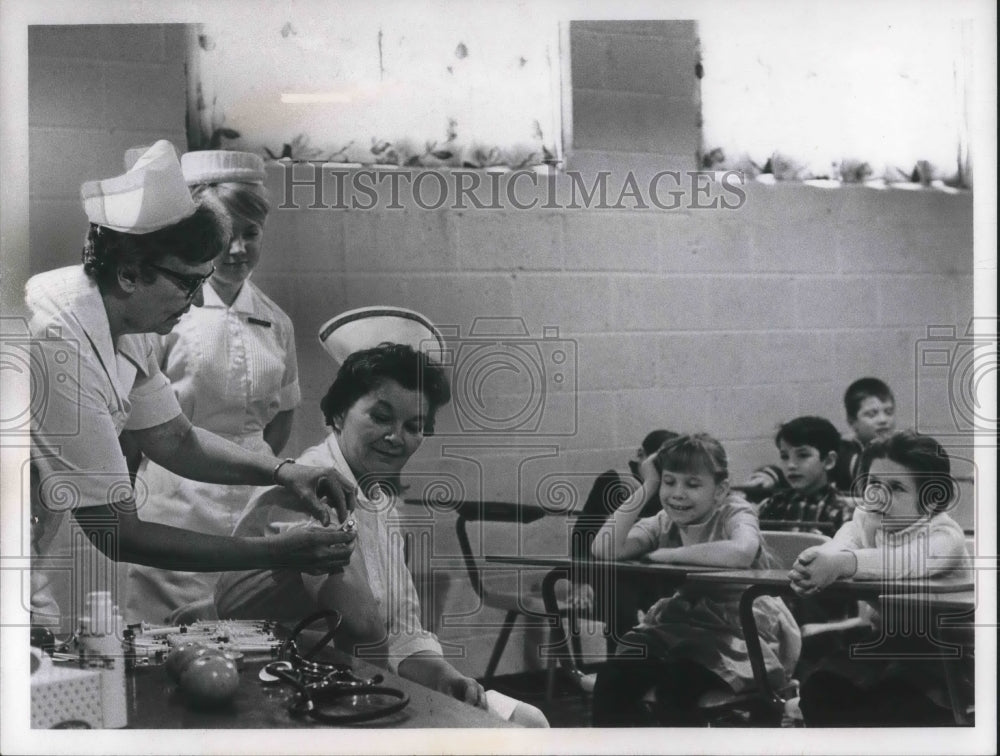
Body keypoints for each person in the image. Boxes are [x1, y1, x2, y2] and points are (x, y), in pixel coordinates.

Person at [27, 141, 356, 628]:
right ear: (129, 272)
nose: (198, 298)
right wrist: (277, 552)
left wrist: (284, 471)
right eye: (187, 283)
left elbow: (173, 437)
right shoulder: (57, 339)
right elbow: (117, 533)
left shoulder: (125, 320)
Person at [215, 310, 548, 727]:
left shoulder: (378, 498)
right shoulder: (313, 489)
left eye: (415, 425)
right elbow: (364, 626)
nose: (398, 438)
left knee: (528, 720)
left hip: (349, 680)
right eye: (381, 416)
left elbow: (402, 627)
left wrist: (446, 676)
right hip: (285, 687)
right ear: (337, 414)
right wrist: (417, 693)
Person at [125, 150, 301, 625]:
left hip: (251, 503)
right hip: (172, 502)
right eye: (226, 235)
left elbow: (281, 420)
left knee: (248, 637)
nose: (238, 250)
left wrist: (253, 466)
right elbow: (132, 429)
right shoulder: (162, 316)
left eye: (251, 233)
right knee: (165, 640)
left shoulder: (277, 321)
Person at [590, 434, 800, 726]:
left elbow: (741, 552)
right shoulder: (664, 519)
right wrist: (647, 485)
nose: (677, 493)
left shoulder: (734, 511)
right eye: (669, 481)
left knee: (678, 686)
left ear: (720, 489)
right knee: (614, 676)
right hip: (681, 624)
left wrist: (668, 555)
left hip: (740, 627)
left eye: (692, 484)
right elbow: (604, 548)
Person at [790, 430, 972, 727]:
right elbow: (839, 544)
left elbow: (902, 563)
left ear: (931, 498)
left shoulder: (944, 535)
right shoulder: (866, 517)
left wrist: (843, 563)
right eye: (873, 483)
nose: (878, 496)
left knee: (893, 705)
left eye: (897, 487)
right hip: (886, 646)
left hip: (945, 658)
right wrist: (815, 561)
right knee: (819, 688)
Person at [567, 430, 677, 671]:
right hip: (611, 574)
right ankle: (620, 671)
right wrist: (580, 581)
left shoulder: (672, 488)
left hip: (652, 573)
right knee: (619, 595)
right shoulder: (615, 481)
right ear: (641, 456)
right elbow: (583, 533)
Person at [740, 377, 897, 497]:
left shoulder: (902, 450)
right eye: (872, 414)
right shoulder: (844, 452)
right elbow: (796, 468)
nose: (883, 420)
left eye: (889, 412)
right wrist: (768, 477)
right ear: (852, 421)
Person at [757, 416, 854, 535]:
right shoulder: (771, 505)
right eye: (785, 456)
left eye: (802, 455)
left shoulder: (842, 511)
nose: (791, 465)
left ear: (829, 461)